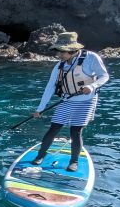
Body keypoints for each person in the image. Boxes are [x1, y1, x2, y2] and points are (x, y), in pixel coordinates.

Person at [32, 32, 109, 172]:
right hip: (67, 99)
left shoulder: (91, 58)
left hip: (87, 100)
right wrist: (40, 108)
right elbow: (50, 87)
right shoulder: (59, 66)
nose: (59, 55)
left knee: (76, 131)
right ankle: (41, 155)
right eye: (58, 51)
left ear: (73, 50)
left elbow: (104, 76)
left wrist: (92, 86)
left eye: (62, 52)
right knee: (54, 127)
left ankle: (74, 161)